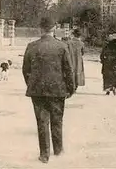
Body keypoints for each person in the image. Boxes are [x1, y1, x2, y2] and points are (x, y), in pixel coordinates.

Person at [22, 17, 75, 164]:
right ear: (54, 28)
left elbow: (25, 69)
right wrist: (70, 88)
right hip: (57, 89)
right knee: (57, 120)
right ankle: (58, 150)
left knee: (42, 122)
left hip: (37, 90)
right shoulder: (62, 46)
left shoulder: (31, 46)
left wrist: (31, 84)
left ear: (41, 28)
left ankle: (44, 155)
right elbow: (68, 70)